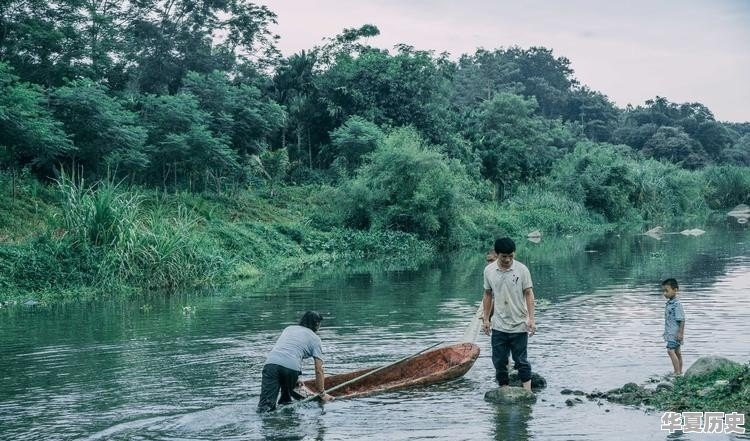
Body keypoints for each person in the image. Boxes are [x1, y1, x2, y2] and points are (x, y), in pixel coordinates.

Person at [482, 237, 536, 391]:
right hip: (499, 325)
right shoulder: (489, 271)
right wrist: (486, 319)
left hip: (519, 324)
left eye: (511, 256)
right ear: (497, 254)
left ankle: (527, 392)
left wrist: (531, 319)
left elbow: (529, 293)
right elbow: (487, 295)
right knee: (499, 361)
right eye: (504, 256)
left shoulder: (522, 270)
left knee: (521, 361)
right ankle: (504, 391)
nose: (507, 259)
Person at [256, 311, 334, 412]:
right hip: (291, 369)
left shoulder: (289, 329)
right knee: (295, 395)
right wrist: (322, 393)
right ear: (317, 324)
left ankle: (268, 420)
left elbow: (288, 350)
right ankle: (288, 413)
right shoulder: (315, 339)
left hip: (270, 364)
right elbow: (319, 369)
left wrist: (297, 377)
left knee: (265, 407)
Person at [661, 278, 685, 376]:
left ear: (675, 290)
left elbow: (682, 319)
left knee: (670, 351)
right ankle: (680, 372)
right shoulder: (670, 303)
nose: (664, 293)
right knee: (677, 352)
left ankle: (677, 372)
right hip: (671, 332)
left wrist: (680, 333)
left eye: (667, 291)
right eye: (663, 291)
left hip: (674, 333)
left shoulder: (676, 304)